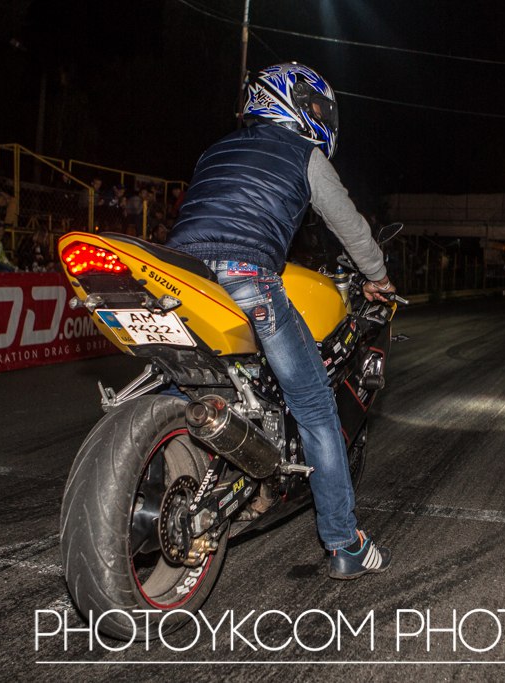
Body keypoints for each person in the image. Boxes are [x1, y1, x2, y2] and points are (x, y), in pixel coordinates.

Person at [167, 63, 397, 580]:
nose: (320, 117)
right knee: (316, 408)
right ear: (289, 102)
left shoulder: (216, 150)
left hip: (182, 276)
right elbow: (350, 227)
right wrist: (378, 276)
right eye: (314, 107)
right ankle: (344, 542)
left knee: (182, 380)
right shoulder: (303, 153)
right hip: (246, 276)